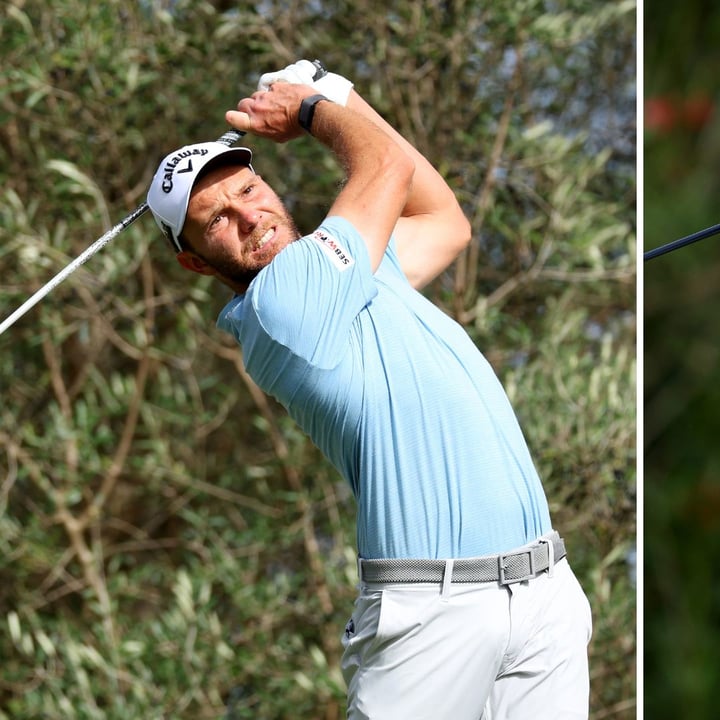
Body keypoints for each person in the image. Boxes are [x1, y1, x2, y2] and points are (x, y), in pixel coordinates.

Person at [146, 60, 591, 719]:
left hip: (543, 594)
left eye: (250, 187)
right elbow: (383, 167)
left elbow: (445, 219)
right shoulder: (281, 305)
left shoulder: (359, 270)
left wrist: (337, 90)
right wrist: (311, 107)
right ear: (193, 259)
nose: (249, 215)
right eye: (216, 219)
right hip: (432, 616)